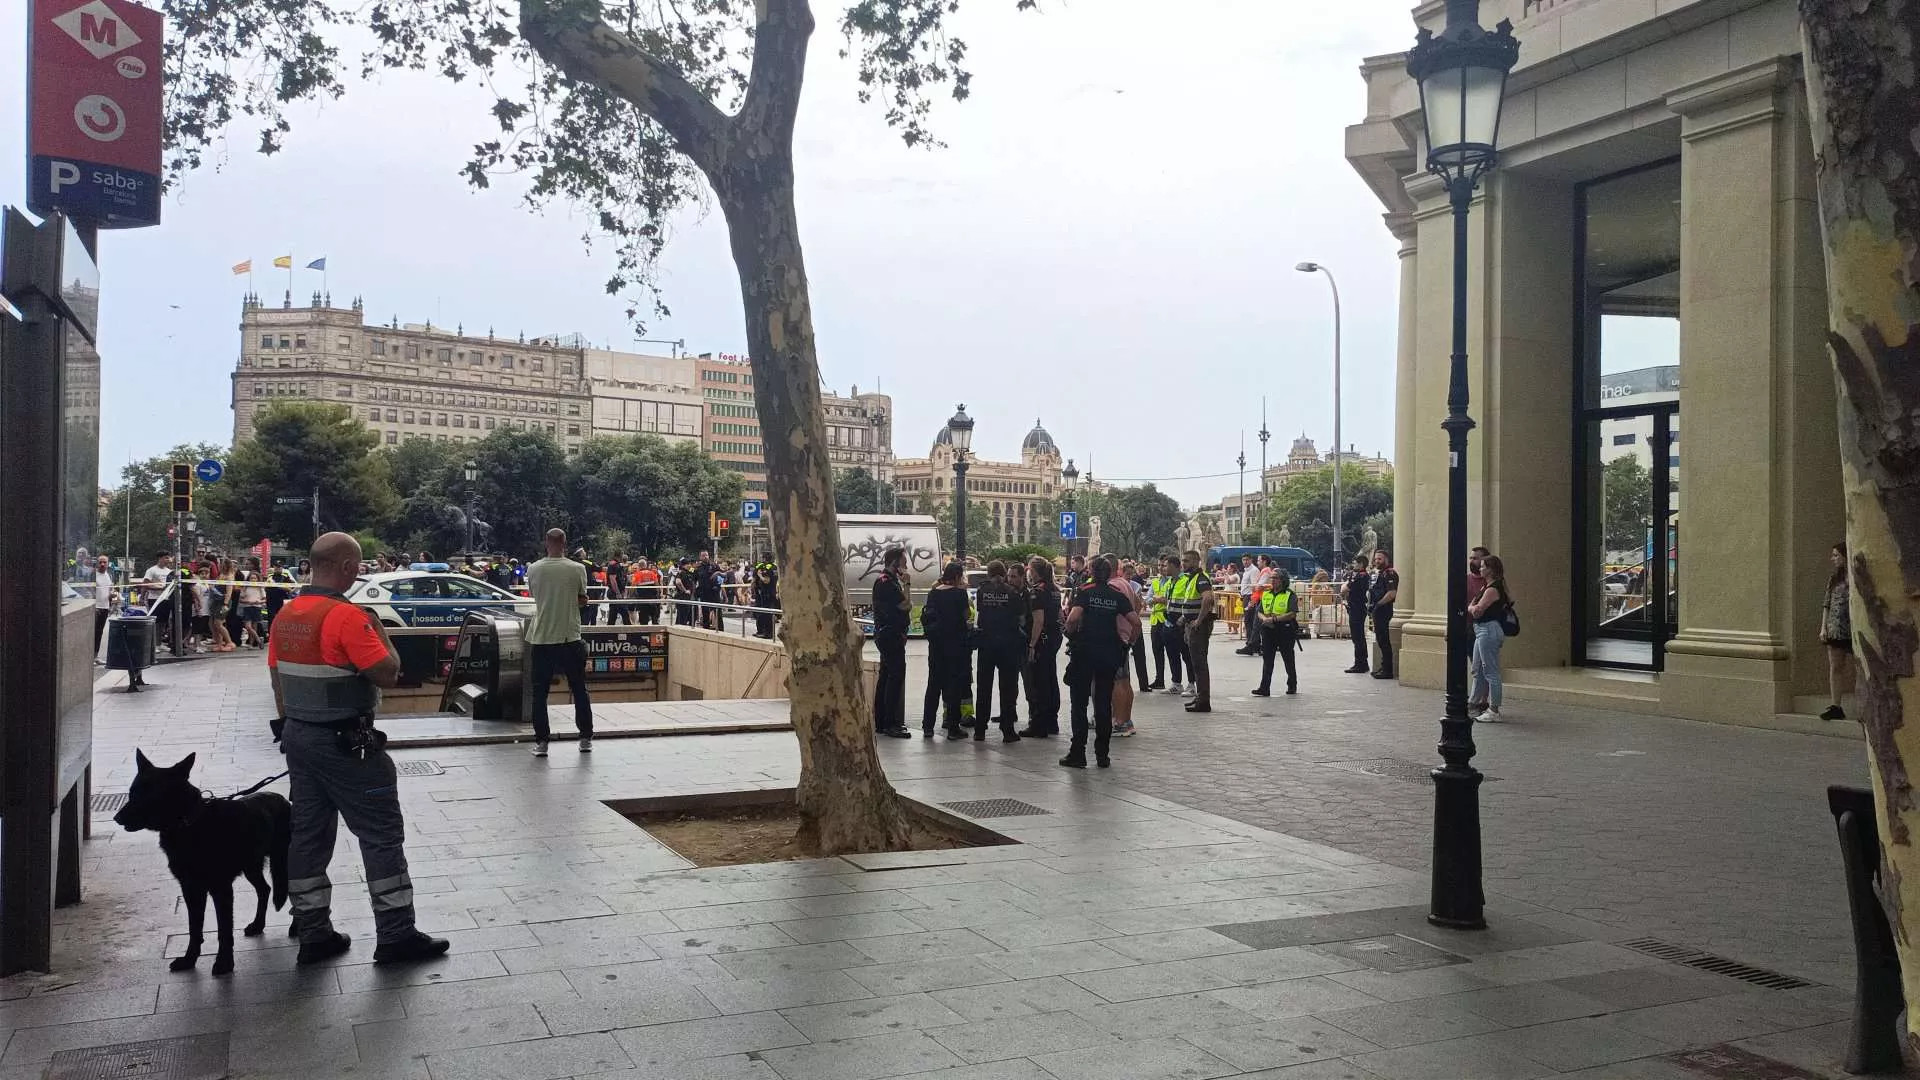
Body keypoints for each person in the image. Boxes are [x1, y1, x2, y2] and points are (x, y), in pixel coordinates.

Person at [268, 531, 448, 967]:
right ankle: (396, 934)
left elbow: (277, 677)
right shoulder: (348, 617)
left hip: (299, 735)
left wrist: (292, 723)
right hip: (348, 744)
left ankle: (314, 932)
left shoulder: (287, 614)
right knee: (381, 834)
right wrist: (381, 629)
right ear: (348, 567)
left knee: (307, 835)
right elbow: (387, 672)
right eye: (359, 566)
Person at [1061, 556, 1141, 769]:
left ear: (1091, 572)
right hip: (1109, 653)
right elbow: (1136, 622)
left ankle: (1078, 753)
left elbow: (1072, 618)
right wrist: (1127, 644)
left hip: (1085, 652)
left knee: (1079, 704)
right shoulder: (1117, 595)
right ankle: (1102, 755)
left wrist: (1070, 634)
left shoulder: (1085, 592)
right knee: (1103, 704)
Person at [527, 529, 595, 756]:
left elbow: (538, 596)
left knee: (539, 693)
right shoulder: (578, 569)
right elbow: (581, 598)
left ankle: (542, 742)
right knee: (579, 688)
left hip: (542, 636)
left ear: (546, 542)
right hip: (569, 636)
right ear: (565, 543)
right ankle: (585, 738)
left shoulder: (533, 569)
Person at [972, 561, 1026, 743]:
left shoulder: (981, 591)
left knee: (983, 687)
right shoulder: (1012, 593)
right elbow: (1020, 618)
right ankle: (1008, 729)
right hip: (1008, 645)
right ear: (1003, 574)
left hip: (986, 644)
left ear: (988, 573)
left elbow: (980, 612)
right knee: (1008, 688)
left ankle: (980, 729)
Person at [921, 561, 973, 738]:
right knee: (953, 686)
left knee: (933, 685)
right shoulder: (960, 594)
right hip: (955, 645)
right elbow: (967, 615)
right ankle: (953, 728)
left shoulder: (933, 593)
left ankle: (927, 726)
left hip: (936, 646)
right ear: (958, 577)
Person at [870, 548, 913, 739]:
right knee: (895, 677)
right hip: (891, 635)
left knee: (886, 676)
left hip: (888, 634)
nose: (905, 565)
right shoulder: (887, 583)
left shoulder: (887, 580)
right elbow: (905, 605)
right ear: (894, 562)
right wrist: (908, 585)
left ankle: (882, 721)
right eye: (903, 561)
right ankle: (889, 723)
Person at [1020, 556, 1063, 738]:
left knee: (1039, 681)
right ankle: (1052, 721)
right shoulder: (1055, 590)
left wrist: (1032, 644)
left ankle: (1039, 724)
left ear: (1034, 571)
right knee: (1051, 678)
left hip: (1042, 639)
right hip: (1054, 637)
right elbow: (1060, 615)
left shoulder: (1037, 592)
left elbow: (1038, 620)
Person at [1170, 550, 1216, 712]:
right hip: (1191, 625)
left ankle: (1203, 701)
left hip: (1198, 627)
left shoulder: (1201, 579)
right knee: (1196, 663)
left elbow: (1208, 598)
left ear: (1197, 562)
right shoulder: (1192, 579)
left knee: (1199, 664)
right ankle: (1200, 698)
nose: (1184, 564)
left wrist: (1199, 619)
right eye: (1183, 561)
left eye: (1187, 561)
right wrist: (1185, 617)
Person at [1467, 554, 1511, 721]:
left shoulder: (1493, 589)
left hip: (1489, 630)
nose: (1480, 568)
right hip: (1481, 630)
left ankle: (1494, 709)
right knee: (1477, 669)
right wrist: (1473, 607)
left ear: (1491, 569)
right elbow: (1474, 606)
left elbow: (1477, 609)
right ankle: (1474, 702)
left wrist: (1472, 607)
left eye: (1484, 566)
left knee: (1490, 671)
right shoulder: (1487, 587)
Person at [1252, 570, 1301, 696]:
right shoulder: (1266, 594)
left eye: (1276, 578)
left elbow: (1292, 613)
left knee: (1288, 658)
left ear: (1283, 580)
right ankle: (1264, 688)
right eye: (1272, 578)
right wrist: (1264, 619)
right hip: (1268, 629)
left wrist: (1275, 619)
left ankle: (1292, 685)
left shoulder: (1290, 595)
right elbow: (1259, 611)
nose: (1273, 580)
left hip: (1285, 629)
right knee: (1267, 659)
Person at [1821, 542, 1854, 721]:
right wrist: (1823, 627)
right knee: (1836, 666)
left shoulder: (1855, 577)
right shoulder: (1833, 578)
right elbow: (1826, 603)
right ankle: (1836, 705)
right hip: (1835, 628)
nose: (1832, 559)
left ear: (1844, 556)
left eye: (1836, 556)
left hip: (1853, 628)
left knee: (1860, 665)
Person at [1148, 555, 1184, 694]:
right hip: (1156, 619)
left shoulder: (1174, 581)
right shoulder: (1156, 582)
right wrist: (1157, 599)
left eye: (1164, 565)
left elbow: (1166, 599)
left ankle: (1177, 681)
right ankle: (1159, 679)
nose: (1161, 568)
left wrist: (1158, 599)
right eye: (1159, 565)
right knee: (1157, 652)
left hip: (1169, 620)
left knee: (1174, 653)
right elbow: (1149, 599)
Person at [1369, 549, 1399, 679]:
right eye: (1375, 559)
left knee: (1384, 640)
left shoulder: (1390, 573)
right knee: (1381, 640)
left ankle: (1387, 670)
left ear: (1386, 559)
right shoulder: (1380, 574)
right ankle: (1383, 667)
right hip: (1378, 609)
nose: (1377, 561)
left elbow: (1392, 593)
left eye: (1379, 559)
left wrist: (1379, 604)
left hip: (1383, 609)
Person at [1343, 556, 1372, 674]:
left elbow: (1346, 589)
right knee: (1359, 637)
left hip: (1357, 608)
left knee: (1357, 637)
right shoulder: (1363, 576)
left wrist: (1345, 589)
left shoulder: (1361, 576)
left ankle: (1360, 664)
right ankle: (1362, 663)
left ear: (1361, 564)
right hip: (1357, 607)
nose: (1353, 565)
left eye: (1355, 563)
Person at [92, 554, 116, 656]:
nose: (102, 564)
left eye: (104, 562)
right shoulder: (92, 575)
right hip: (95, 608)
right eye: (100, 562)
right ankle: (90, 656)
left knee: (99, 632)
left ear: (108, 563)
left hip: (105, 607)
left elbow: (110, 590)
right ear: (97, 563)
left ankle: (95, 656)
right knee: (92, 633)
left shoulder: (109, 575)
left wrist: (112, 596)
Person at [751, 562, 779, 639]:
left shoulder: (765, 569)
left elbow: (766, 581)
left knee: (764, 614)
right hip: (771, 594)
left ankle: (765, 633)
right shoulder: (774, 568)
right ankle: (765, 632)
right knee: (767, 614)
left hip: (765, 595)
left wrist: (759, 575)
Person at [631, 557, 662, 625]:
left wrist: (631, 595)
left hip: (642, 600)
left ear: (639, 566)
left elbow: (633, 586)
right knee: (654, 617)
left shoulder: (637, 575)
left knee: (643, 619)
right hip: (652, 599)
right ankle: (654, 632)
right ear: (646, 565)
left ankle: (644, 633)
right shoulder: (652, 573)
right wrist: (658, 594)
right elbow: (657, 585)